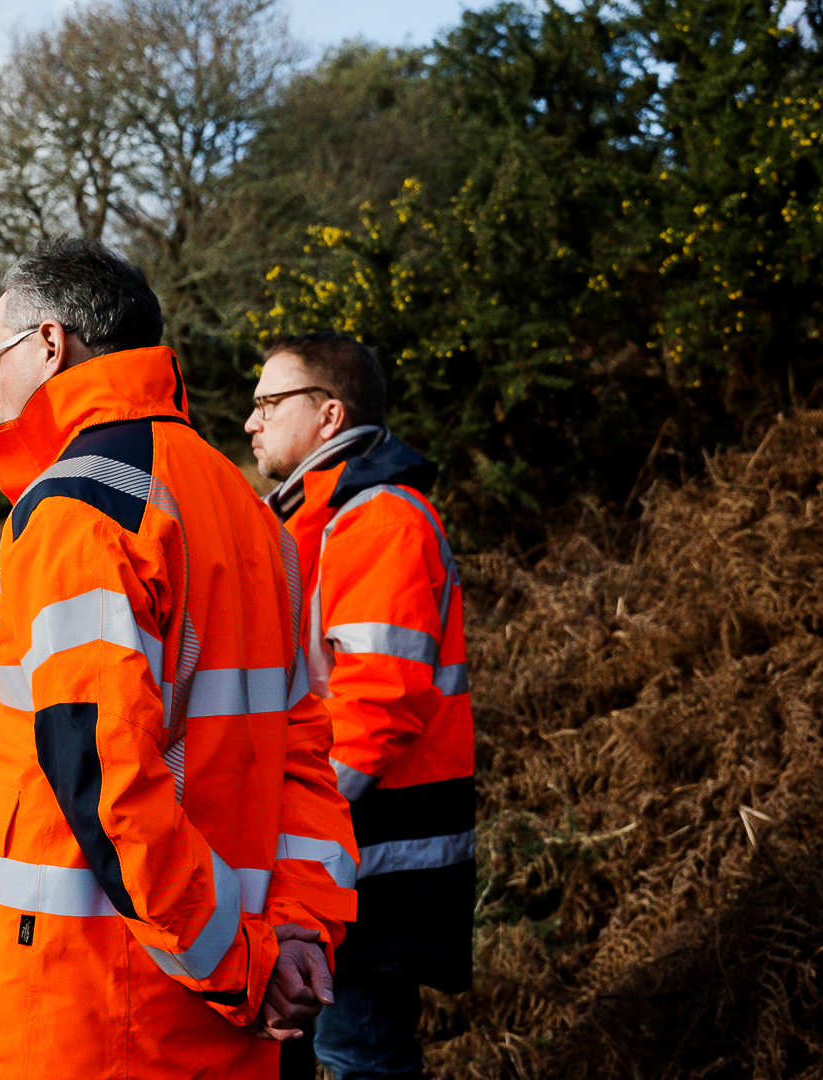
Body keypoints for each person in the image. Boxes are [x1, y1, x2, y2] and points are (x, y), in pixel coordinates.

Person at [0, 237, 359, 1080]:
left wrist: (242, 967)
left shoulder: (77, 510)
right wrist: (301, 932)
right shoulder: (255, 516)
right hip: (219, 1015)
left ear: (50, 344)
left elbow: (108, 782)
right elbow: (307, 752)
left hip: (79, 1018)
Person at [248, 333, 475, 1080]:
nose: (251, 422)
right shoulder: (317, 520)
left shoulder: (379, 521)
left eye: (268, 403)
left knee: (360, 1058)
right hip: (338, 856)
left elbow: (374, 711)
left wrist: (292, 825)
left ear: (328, 415)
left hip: (371, 860)